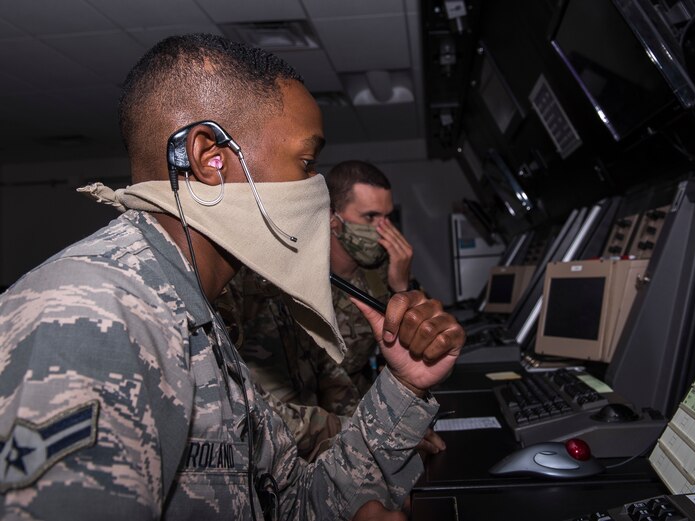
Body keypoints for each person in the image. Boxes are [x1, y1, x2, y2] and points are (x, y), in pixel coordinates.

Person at [0, 33, 465, 520]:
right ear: (209, 159)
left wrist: (404, 386)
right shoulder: (88, 317)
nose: (316, 190)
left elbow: (300, 502)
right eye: (306, 163)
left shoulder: (197, 317)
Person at [215, 266, 361, 461]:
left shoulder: (292, 272)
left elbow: (324, 361)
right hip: (269, 455)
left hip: (317, 449)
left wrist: (357, 428)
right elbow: (245, 407)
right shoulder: (231, 276)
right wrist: (339, 429)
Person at [326, 160, 415, 394]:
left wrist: (401, 287)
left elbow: (413, 354)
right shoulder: (294, 278)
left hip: (363, 401)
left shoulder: (383, 270)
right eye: (370, 217)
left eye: (387, 217)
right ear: (331, 217)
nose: (383, 229)